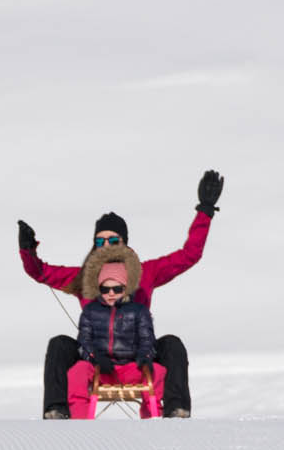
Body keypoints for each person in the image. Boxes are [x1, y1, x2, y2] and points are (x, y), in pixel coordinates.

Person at [19, 169, 222, 419]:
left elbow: (189, 255)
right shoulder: (84, 277)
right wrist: (28, 251)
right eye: (100, 242)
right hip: (95, 357)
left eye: (113, 241)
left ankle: (174, 412)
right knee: (59, 344)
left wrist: (205, 211)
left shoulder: (147, 272)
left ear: (124, 242)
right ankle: (57, 412)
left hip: (138, 358)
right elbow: (40, 273)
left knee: (172, 344)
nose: (106, 247)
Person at [67, 250, 164, 418]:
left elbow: (147, 339)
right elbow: (84, 340)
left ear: (125, 288)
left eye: (116, 288)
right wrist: (95, 357)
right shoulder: (91, 311)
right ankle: (79, 419)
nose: (110, 293)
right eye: (105, 289)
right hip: (101, 369)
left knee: (157, 370)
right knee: (78, 370)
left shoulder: (138, 311)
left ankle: (151, 417)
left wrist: (144, 357)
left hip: (129, 367)